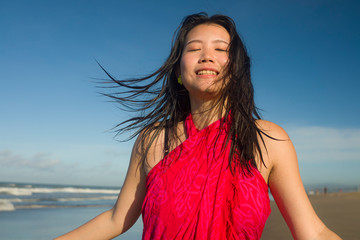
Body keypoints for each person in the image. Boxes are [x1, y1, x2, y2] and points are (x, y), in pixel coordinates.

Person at [55, 13, 341, 240]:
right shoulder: (152, 140)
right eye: (194, 49)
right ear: (179, 71)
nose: (206, 56)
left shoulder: (267, 139)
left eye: (220, 49)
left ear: (236, 68)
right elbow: (117, 219)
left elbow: (313, 232)